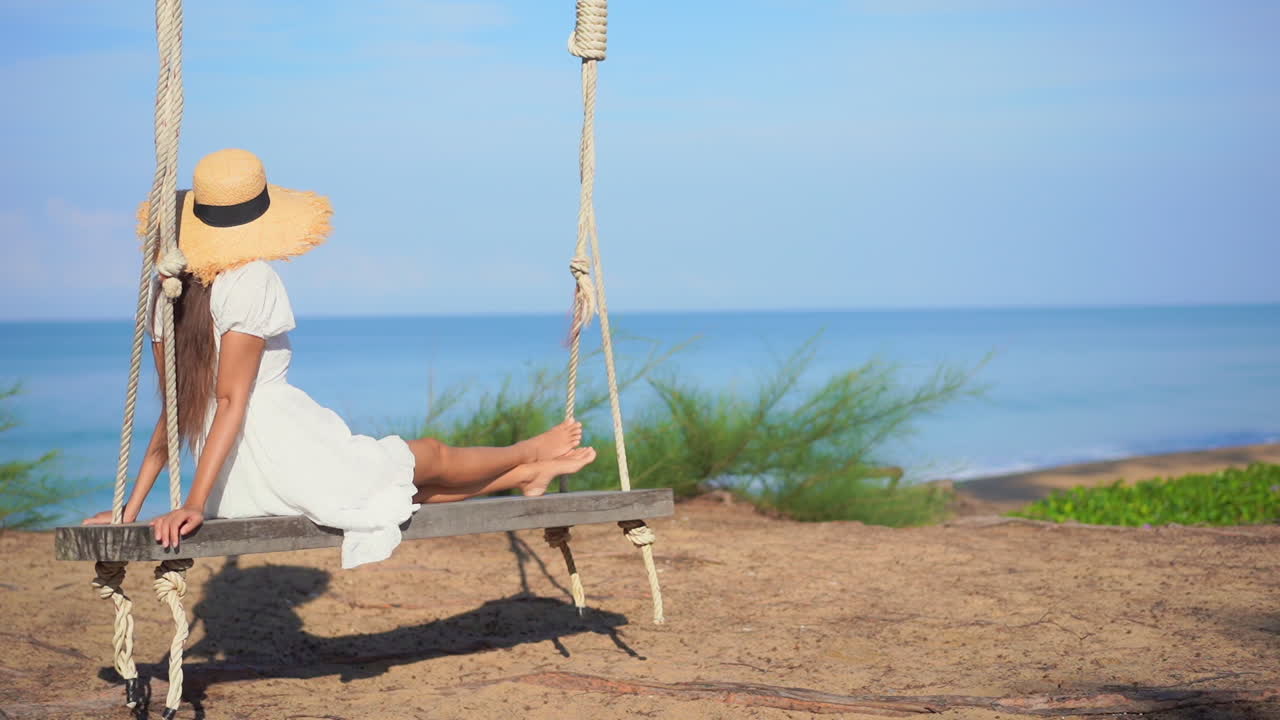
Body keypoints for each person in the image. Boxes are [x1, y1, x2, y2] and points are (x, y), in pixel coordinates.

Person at [84, 148, 596, 568]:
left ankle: (526, 472)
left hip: (231, 483)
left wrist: (133, 509)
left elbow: (177, 410)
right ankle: (526, 452)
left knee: (389, 491)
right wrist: (190, 504)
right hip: (276, 453)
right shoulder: (250, 279)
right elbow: (231, 398)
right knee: (429, 456)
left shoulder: (166, 291)